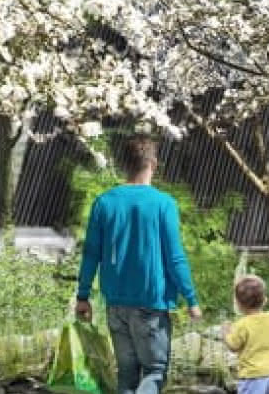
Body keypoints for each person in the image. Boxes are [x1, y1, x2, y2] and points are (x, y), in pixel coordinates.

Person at [74, 135, 201, 394]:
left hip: (116, 304)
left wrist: (83, 295)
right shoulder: (164, 204)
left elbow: (91, 254)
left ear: (124, 166)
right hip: (150, 305)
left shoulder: (104, 202)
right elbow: (174, 257)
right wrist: (191, 298)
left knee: (127, 375)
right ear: (153, 164)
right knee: (154, 371)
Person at [224, 275, 269, 394]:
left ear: (238, 304)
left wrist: (226, 333)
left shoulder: (242, 325)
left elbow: (233, 346)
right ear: (265, 300)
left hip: (253, 376)